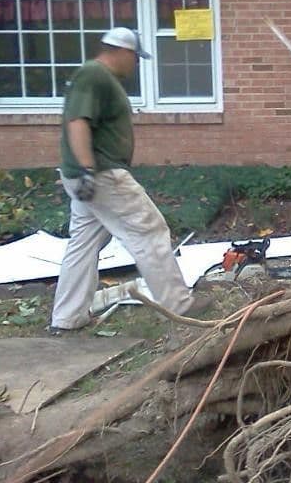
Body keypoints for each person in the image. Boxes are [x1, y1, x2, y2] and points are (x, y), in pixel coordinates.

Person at [50, 27, 210, 332]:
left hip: (88, 177)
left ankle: (68, 317)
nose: (135, 65)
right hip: (102, 175)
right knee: (148, 230)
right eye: (135, 58)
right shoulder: (94, 75)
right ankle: (179, 304)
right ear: (122, 51)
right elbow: (78, 121)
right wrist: (86, 168)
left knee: (83, 243)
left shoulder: (97, 76)